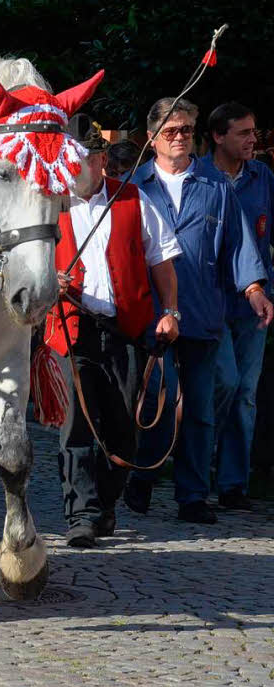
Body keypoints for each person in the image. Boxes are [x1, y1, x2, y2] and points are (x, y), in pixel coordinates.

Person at [125, 97, 273, 524]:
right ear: (152, 136)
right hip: (153, 314)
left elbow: (239, 246)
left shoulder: (216, 186)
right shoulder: (134, 188)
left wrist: (254, 289)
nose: (179, 137)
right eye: (170, 130)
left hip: (204, 312)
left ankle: (192, 495)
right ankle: (144, 474)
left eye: (186, 130)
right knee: (158, 397)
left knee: (202, 409)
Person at [46, 114, 181, 547]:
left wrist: (171, 311)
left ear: (101, 160)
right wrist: (53, 278)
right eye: (67, 159)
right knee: (77, 425)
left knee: (125, 426)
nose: (72, 167)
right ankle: (80, 514)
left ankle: (104, 506)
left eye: (81, 159)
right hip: (69, 329)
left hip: (125, 329)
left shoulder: (133, 199)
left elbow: (161, 258)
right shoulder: (49, 205)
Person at [204, 102, 273, 511]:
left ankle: (233, 484)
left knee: (246, 392)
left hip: (254, 305)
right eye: (243, 133)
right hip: (209, 301)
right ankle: (197, 464)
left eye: (254, 131)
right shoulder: (199, 177)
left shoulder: (262, 177)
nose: (252, 139)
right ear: (217, 136)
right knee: (223, 383)